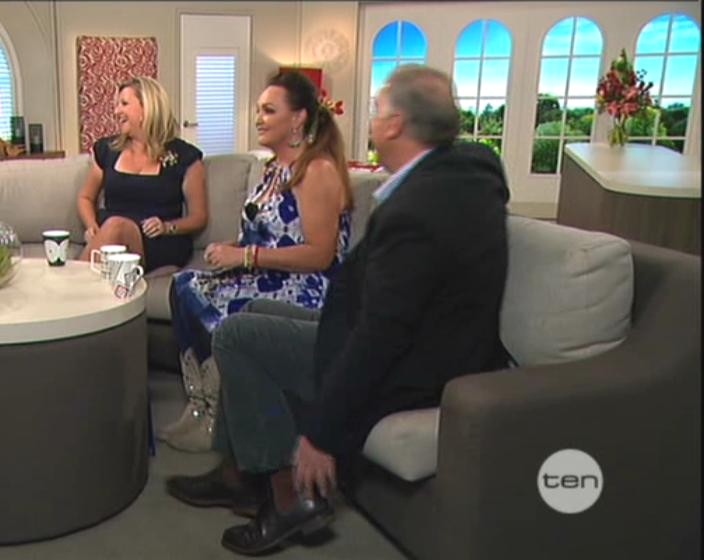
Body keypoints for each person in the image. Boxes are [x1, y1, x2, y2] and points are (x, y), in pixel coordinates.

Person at [166, 64, 512, 556]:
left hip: (413, 367)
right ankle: (239, 471)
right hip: (396, 335)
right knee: (256, 310)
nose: (370, 120)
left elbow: (382, 334)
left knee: (237, 334)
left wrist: (321, 434)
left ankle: (286, 497)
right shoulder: (462, 171)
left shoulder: (420, 207)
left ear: (395, 125)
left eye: (377, 110)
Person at [160, 70, 353, 453]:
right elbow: (266, 234)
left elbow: (320, 254)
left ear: (298, 118)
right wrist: (231, 248)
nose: (258, 119)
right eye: (258, 110)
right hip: (265, 273)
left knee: (212, 298)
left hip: (304, 286)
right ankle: (201, 402)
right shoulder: (272, 169)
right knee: (184, 286)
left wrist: (245, 256)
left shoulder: (316, 170)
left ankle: (217, 412)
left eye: (269, 110)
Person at [76, 76, 207, 272]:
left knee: (117, 225)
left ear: (147, 108)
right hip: (110, 237)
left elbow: (199, 217)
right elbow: (85, 197)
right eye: (116, 105)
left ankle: (72, 282)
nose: (116, 111)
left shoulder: (185, 156)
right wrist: (92, 226)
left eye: (124, 104)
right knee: (114, 227)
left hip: (157, 242)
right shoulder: (107, 150)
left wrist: (167, 226)